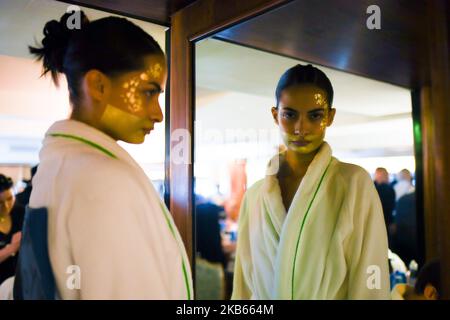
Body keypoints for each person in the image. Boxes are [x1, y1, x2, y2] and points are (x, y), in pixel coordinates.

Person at [23, 11, 192, 299]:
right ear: (98, 86)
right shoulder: (102, 181)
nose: (159, 114)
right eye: (148, 92)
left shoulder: (60, 167)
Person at [232, 64, 390, 299]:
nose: (301, 128)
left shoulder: (353, 184)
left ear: (330, 116)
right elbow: (244, 288)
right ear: (276, 115)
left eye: (315, 115)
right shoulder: (255, 196)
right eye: (290, 114)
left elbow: (370, 283)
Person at [0, 174, 24, 285]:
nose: (6, 206)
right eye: (0, 203)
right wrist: (13, 248)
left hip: (17, 281)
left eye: (10, 199)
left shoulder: (21, 212)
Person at [374, 167, 396, 235]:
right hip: (386, 221)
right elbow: (391, 208)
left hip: (374, 221)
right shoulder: (389, 189)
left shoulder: (372, 189)